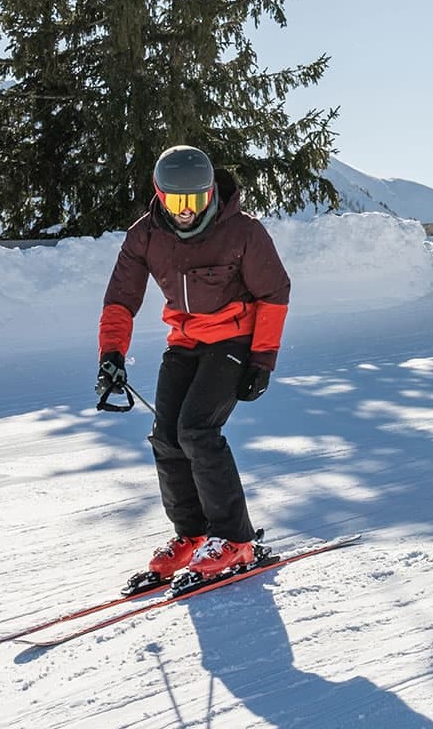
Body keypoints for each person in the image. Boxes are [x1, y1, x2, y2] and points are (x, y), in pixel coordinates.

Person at [95, 145, 291, 582]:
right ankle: (194, 534)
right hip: (184, 340)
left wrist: (262, 360)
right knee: (166, 437)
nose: (185, 212)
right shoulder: (145, 235)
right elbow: (120, 300)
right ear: (159, 195)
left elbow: (274, 293)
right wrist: (111, 355)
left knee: (197, 432)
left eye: (195, 201)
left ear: (210, 195)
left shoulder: (242, 232)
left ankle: (236, 540)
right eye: (176, 202)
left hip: (235, 339)